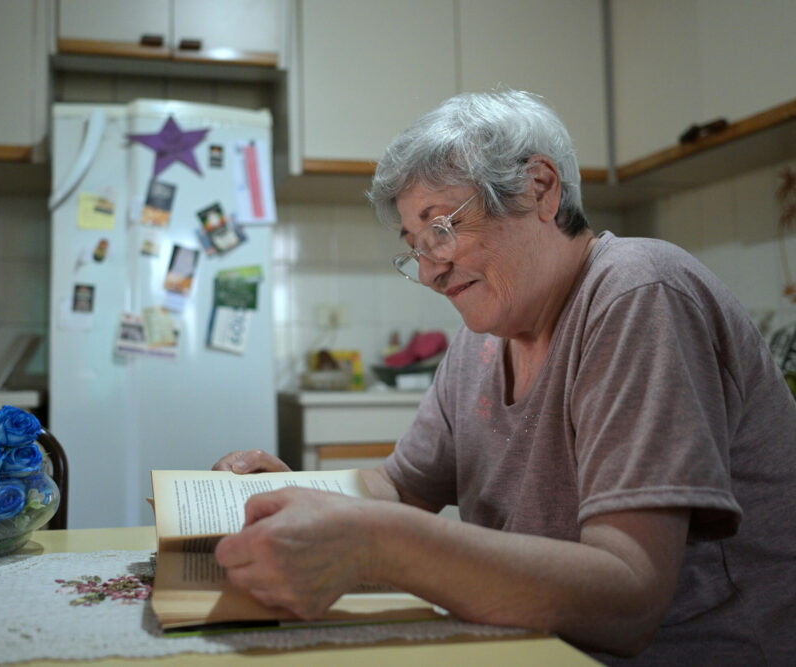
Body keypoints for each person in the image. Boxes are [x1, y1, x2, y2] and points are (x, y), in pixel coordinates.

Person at [212, 90, 796, 664]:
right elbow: (402, 488)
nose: (429, 270)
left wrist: (378, 544)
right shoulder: (481, 342)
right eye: (413, 246)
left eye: (441, 227)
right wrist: (289, 497)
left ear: (539, 189)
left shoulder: (638, 291)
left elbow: (631, 598)